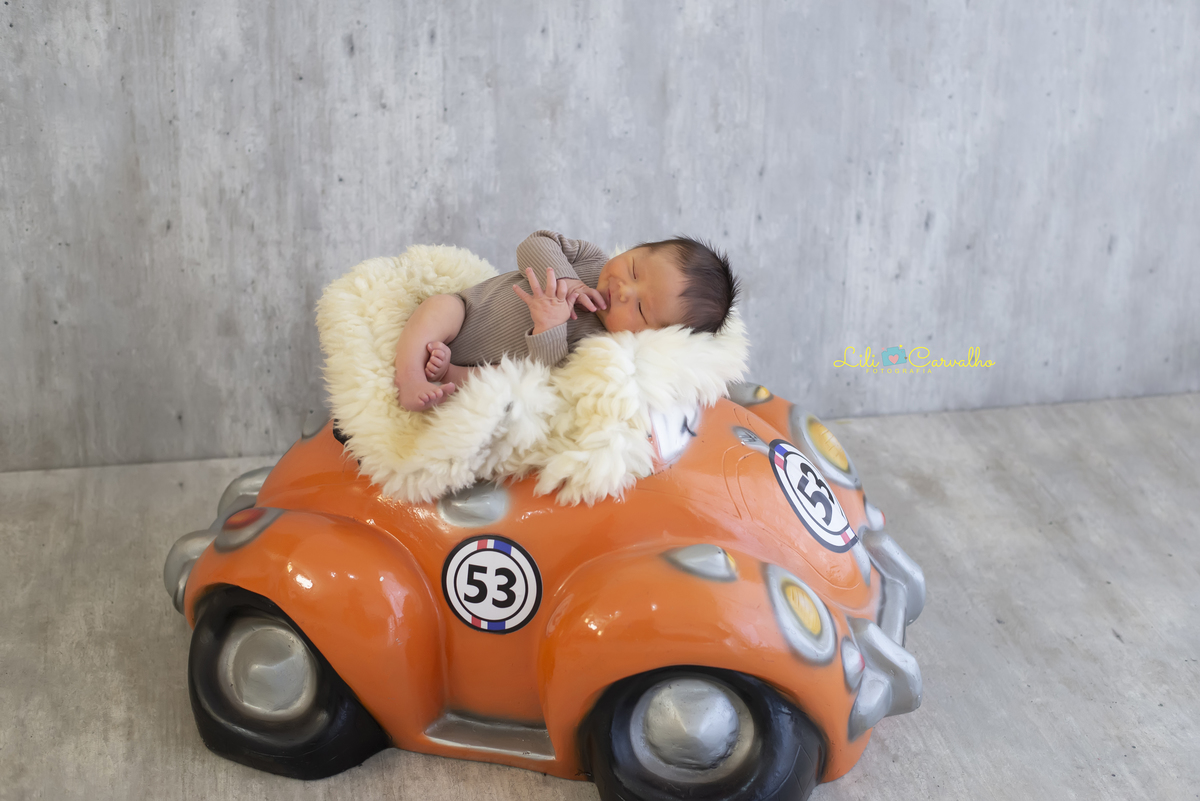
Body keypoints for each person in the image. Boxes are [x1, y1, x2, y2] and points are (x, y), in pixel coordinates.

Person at [393, 229, 739, 411]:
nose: (623, 290)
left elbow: (550, 376)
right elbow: (535, 243)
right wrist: (566, 278)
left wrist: (551, 327)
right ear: (635, 249)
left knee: (504, 382)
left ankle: (447, 375)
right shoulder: (590, 260)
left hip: (477, 368)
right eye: (634, 269)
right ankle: (410, 378)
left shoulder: (603, 346)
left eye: (641, 309)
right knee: (441, 305)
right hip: (467, 313)